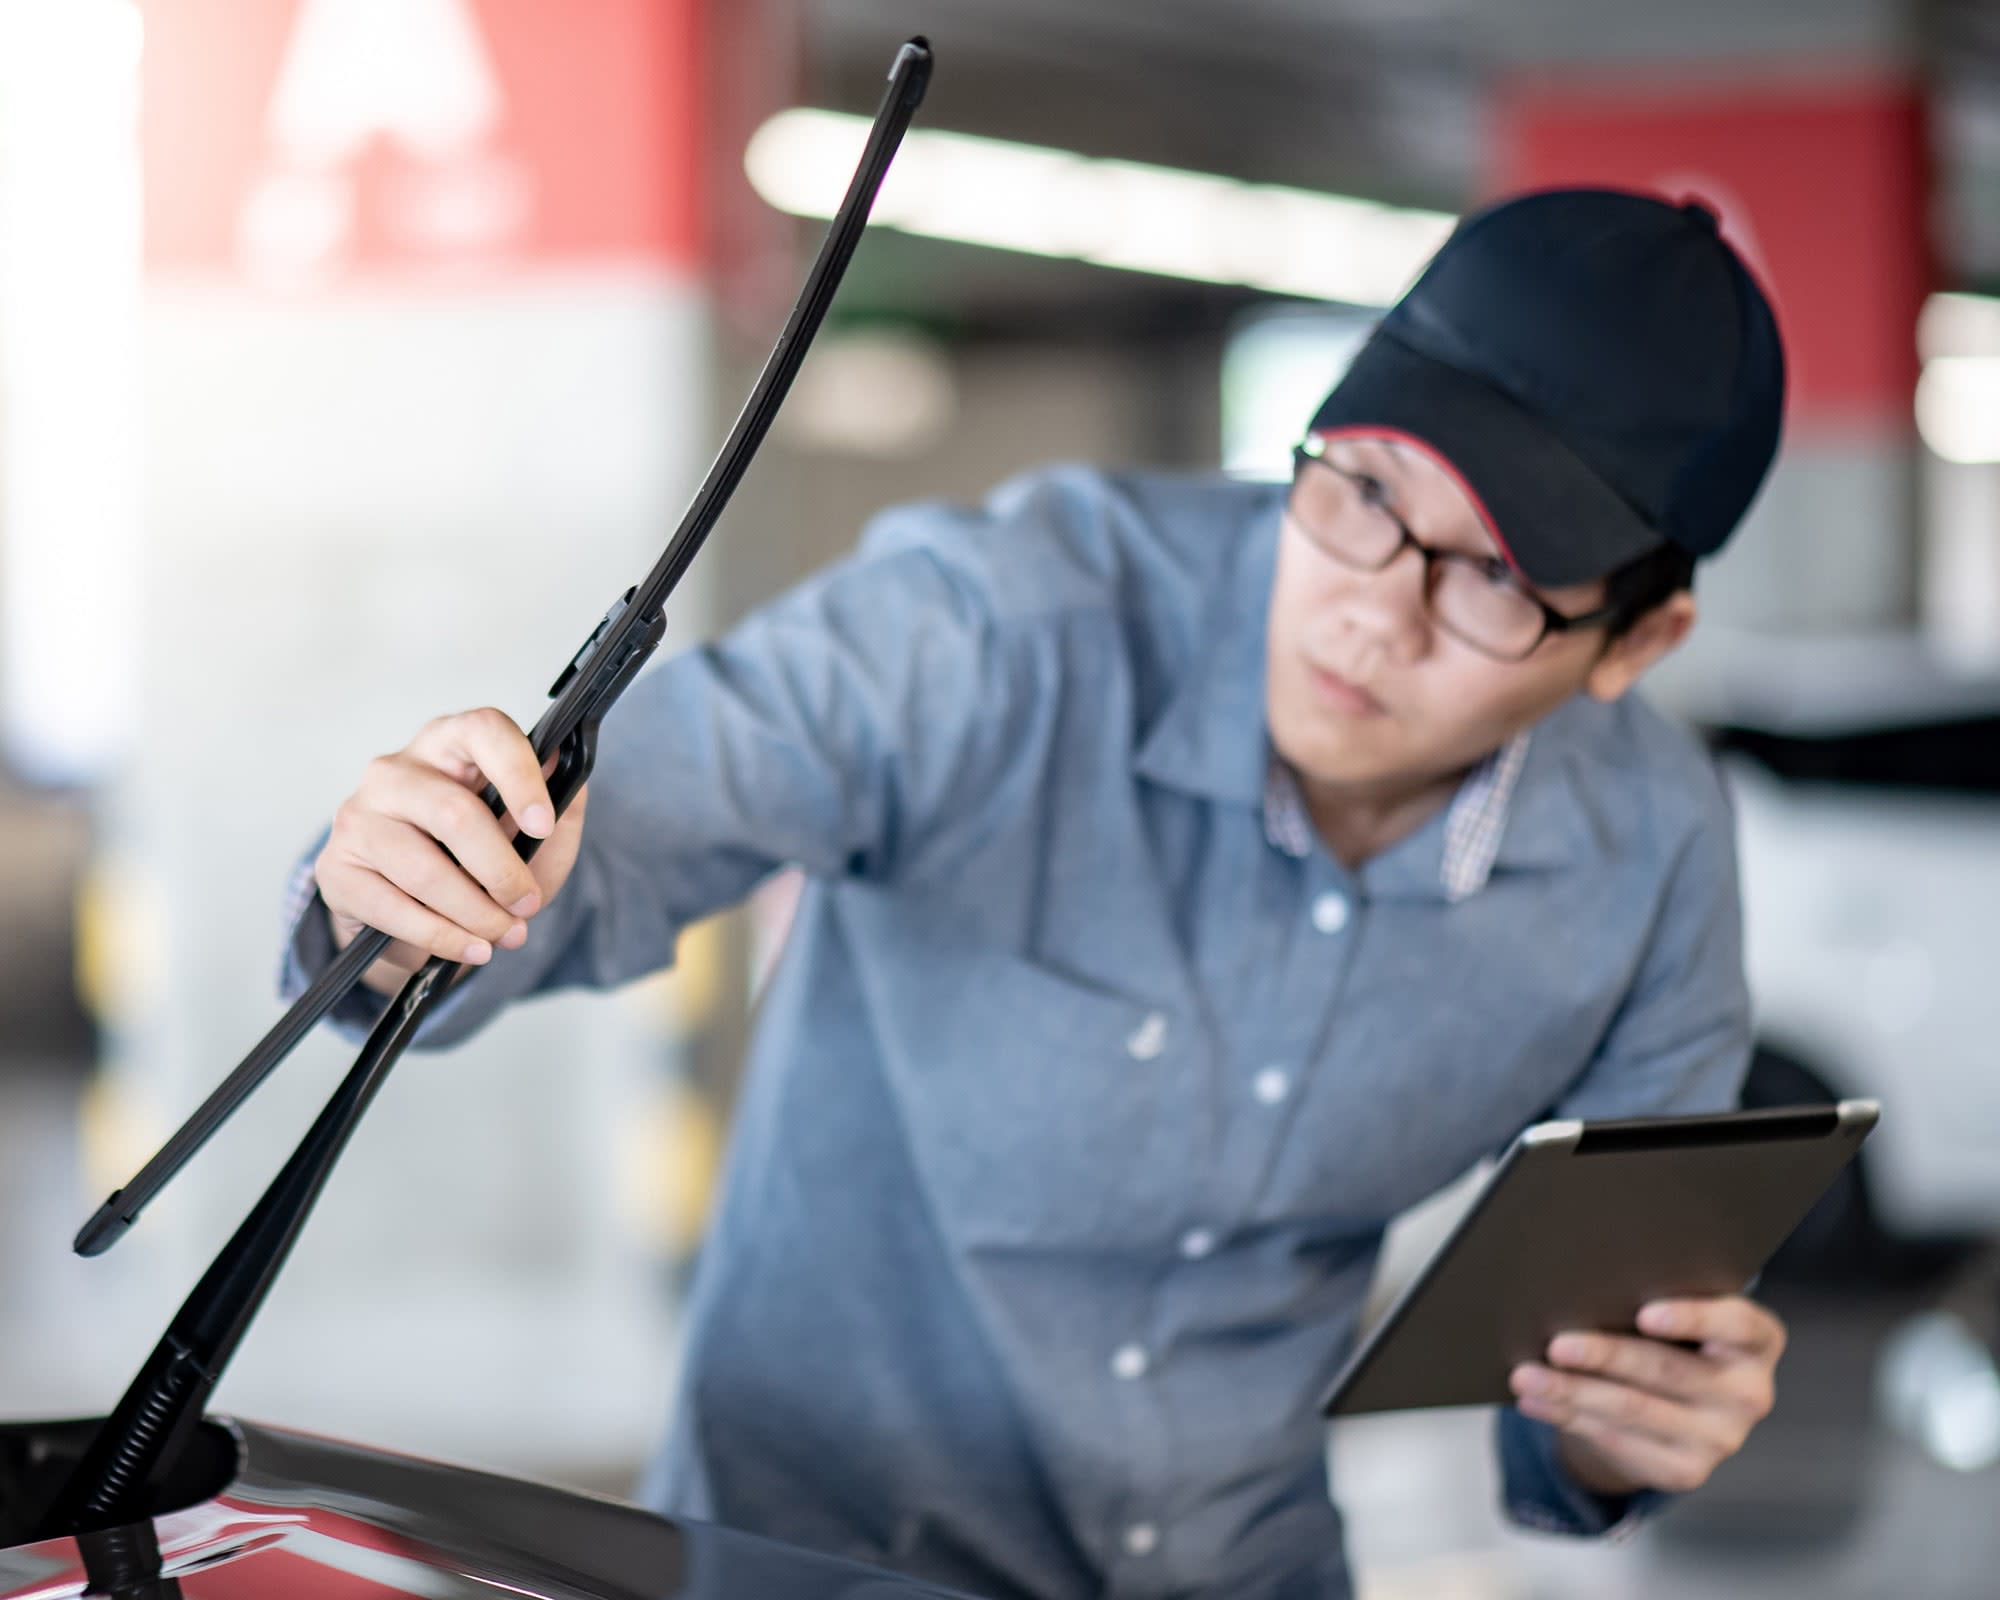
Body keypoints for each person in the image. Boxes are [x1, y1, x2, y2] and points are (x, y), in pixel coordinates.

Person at [282, 187, 1791, 1599]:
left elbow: (1595, 1368)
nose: (1376, 611)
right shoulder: (1002, 627)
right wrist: (419, 880)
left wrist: (1622, 1422)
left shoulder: (1650, 860)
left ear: (1636, 645)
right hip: (807, 1565)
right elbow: (615, 838)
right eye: (1365, 491)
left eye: (1495, 584)